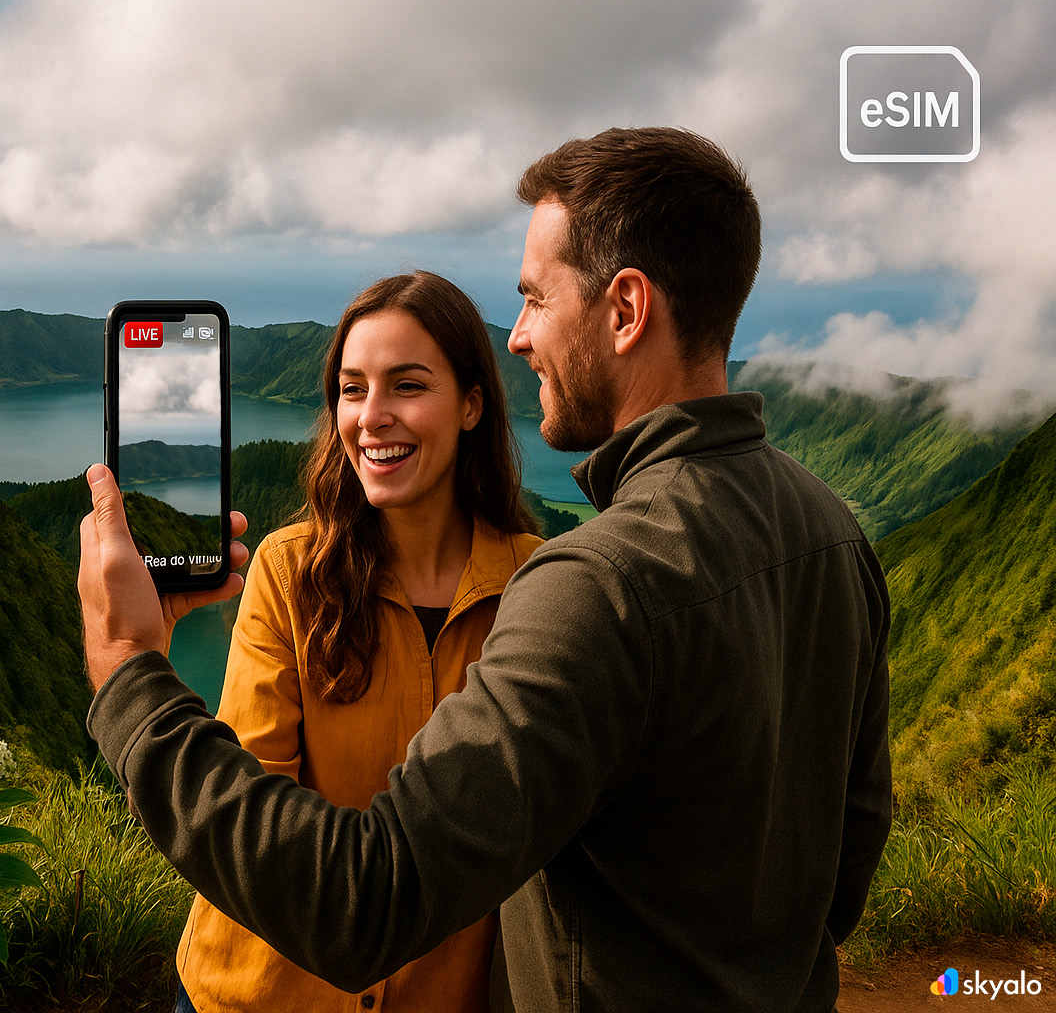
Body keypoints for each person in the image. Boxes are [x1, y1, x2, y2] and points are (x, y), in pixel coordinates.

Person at [78, 127, 893, 1012]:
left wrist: (128, 672)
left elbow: (368, 899)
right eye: (351, 387)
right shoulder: (833, 532)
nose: (521, 337)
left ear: (626, 310)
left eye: (537, 298)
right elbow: (847, 853)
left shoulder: (595, 586)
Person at [173, 271, 545, 1013]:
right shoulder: (289, 572)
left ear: (472, 404)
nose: (372, 417)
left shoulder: (539, 588)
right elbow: (251, 810)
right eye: (352, 390)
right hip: (256, 994)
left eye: (407, 386)